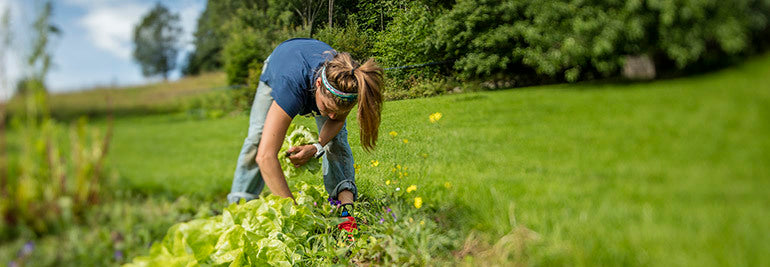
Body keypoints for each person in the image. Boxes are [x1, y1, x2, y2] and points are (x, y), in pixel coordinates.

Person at [227, 38, 383, 232]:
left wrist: (316, 146)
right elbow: (265, 156)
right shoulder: (291, 86)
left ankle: (345, 210)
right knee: (257, 139)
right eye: (327, 108)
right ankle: (239, 206)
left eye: (338, 111)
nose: (332, 115)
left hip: (312, 64)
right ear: (318, 84)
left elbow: (337, 120)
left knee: (336, 140)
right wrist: (295, 215)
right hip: (280, 65)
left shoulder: (346, 84)